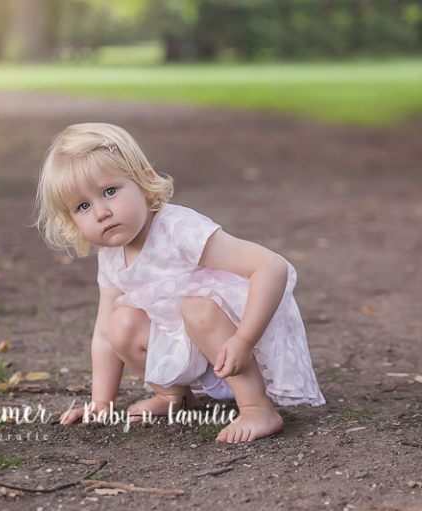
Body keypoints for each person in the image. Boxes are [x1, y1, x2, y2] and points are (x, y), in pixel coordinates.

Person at [35, 123, 325, 442]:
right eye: (83, 206)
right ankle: (174, 396)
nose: (101, 212)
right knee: (120, 323)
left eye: (109, 191)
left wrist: (243, 340)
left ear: (145, 182)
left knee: (197, 308)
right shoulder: (111, 256)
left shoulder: (178, 229)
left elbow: (271, 266)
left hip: (231, 338)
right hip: (182, 339)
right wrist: (101, 403)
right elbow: (104, 336)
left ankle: (257, 407)